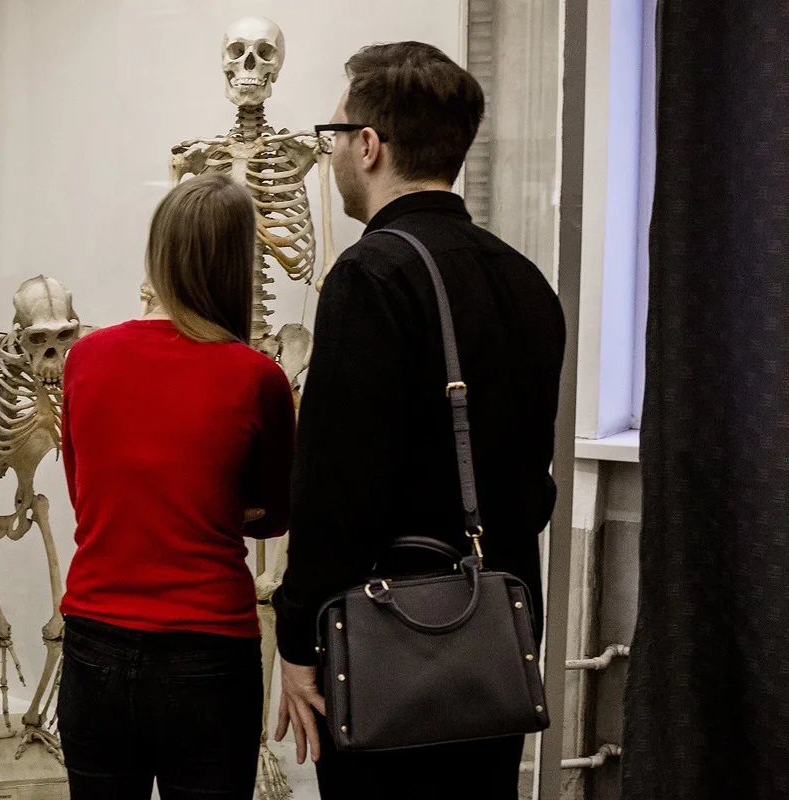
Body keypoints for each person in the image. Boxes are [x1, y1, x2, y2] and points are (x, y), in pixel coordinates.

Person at [271, 41, 566, 798]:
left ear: (369, 146)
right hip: (495, 643)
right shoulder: (526, 281)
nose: (334, 152)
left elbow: (335, 488)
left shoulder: (370, 275)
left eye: (336, 134)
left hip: (394, 644)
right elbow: (532, 485)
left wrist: (297, 637)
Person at [57, 173, 297, 800]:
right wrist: (212, 502)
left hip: (95, 645)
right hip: (209, 653)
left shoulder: (85, 358)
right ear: (237, 264)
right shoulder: (257, 378)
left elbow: (87, 497)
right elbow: (274, 517)